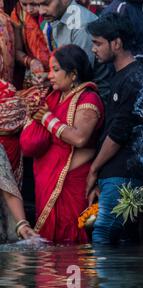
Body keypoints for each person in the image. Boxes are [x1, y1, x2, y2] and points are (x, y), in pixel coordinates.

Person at [86, 13, 143, 244]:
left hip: (125, 173)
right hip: (123, 173)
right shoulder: (122, 76)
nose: (93, 49)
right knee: (123, 239)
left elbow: (118, 133)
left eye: (98, 43)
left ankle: (106, 282)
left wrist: (93, 169)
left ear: (116, 43)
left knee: (103, 233)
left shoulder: (135, 78)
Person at [19, 45, 104, 243]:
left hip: (72, 182)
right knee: (49, 245)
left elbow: (80, 138)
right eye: (50, 69)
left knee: (71, 241)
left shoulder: (88, 98)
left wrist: (47, 119)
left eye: (56, 70)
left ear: (73, 73)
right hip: (48, 180)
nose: (50, 75)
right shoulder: (53, 97)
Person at [35, 0, 112, 101]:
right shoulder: (57, 18)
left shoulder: (81, 25)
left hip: (94, 96)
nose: (41, 11)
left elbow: (80, 75)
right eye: (38, 5)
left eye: (46, 4)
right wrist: (52, 76)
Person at [11, 0, 51, 88]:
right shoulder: (19, 13)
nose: (29, 10)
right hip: (37, 75)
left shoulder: (53, 11)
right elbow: (16, 50)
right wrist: (31, 62)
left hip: (60, 72)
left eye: (34, 4)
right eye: (24, 4)